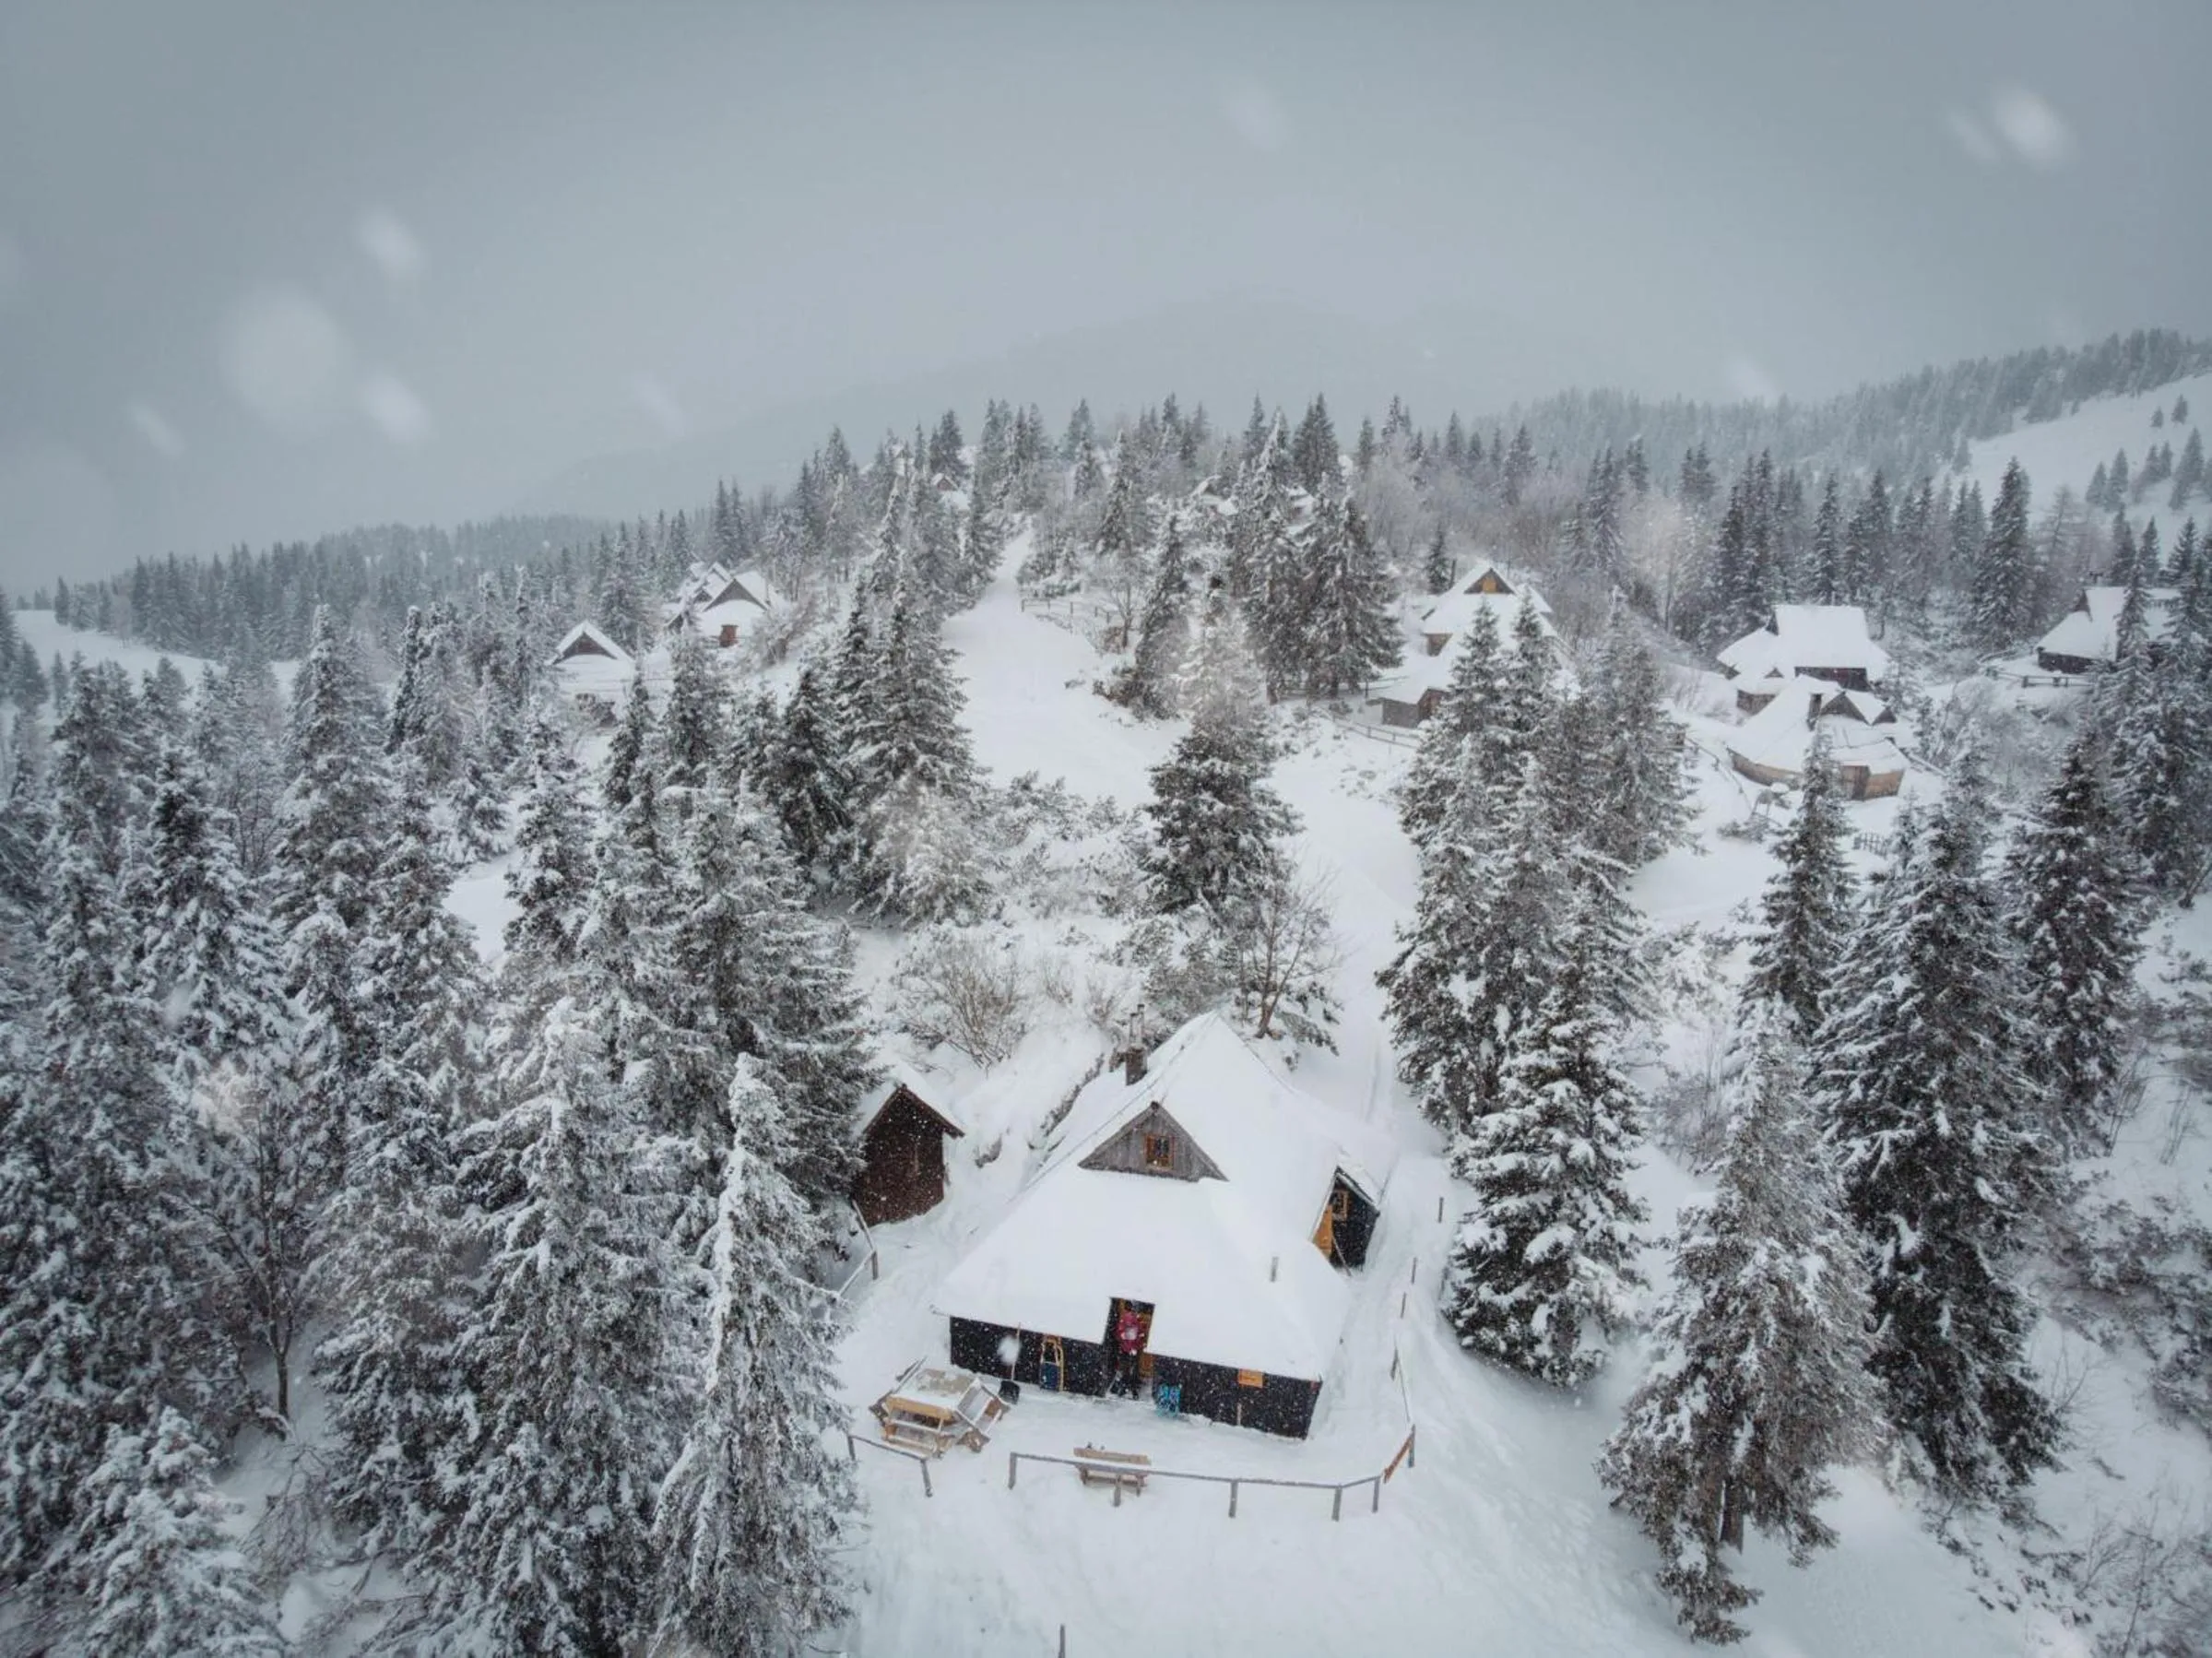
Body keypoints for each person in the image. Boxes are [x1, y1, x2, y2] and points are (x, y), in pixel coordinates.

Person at [1114, 1306, 1145, 1396]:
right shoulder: (1134, 1320)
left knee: (1127, 1369)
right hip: (1130, 1349)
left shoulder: (1126, 1319)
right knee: (1130, 1369)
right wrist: (1135, 1347)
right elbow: (1139, 1335)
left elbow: (1122, 1333)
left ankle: (1126, 1387)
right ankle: (1131, 1388)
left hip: (1127, 1348)